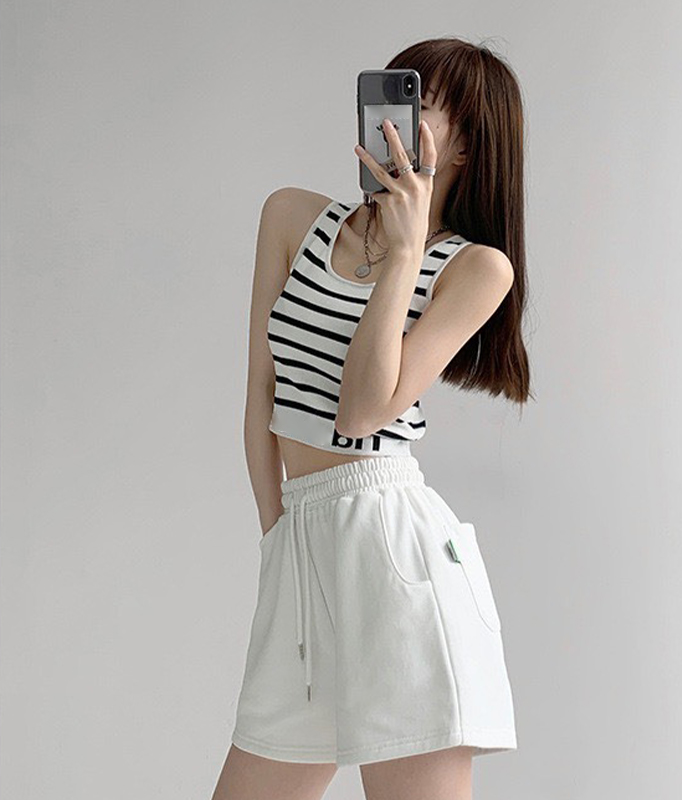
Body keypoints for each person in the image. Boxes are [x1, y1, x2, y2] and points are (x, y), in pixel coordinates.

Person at [212, 36, 533, 800]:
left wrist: (405, 250)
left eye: (424, 102)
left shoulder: (475, 268)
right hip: (302, 547)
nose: (398, 114)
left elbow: (361, 412)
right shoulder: (291, 216)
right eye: (397, 88)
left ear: (466, 145)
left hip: (393, 554)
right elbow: (261, 393)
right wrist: (278, 540)